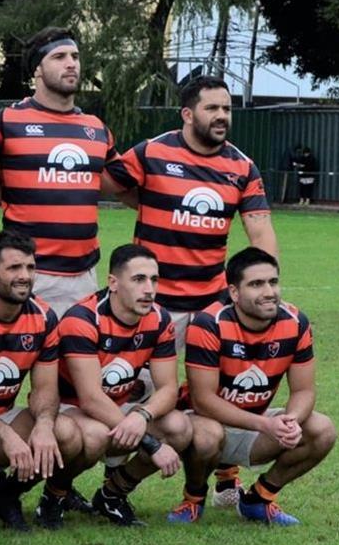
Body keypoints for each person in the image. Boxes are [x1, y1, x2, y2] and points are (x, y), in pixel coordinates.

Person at [105, 75, 279, 506]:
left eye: (226, 109)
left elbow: (261, 233)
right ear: (187, 113)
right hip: (152, 301)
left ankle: (224, 477)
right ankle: (114, 467)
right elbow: (109, 185)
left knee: (221, 390)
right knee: (132, 384)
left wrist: (263, 287)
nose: (221, 116)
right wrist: (148, 203)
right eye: (211, 108)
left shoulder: (241, 166)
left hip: (210, 302)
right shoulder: (152, 151)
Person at [177, 248, 336, 525]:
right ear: (234, 292)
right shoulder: (209, 323)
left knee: (322, 429)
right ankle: (193, 499)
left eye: (273, 282)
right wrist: (264, 425)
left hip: (256, 426)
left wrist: (291, 421)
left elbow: (304, 391)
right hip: (204, 425)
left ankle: (259, 499)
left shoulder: (296, 322)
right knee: (207, 435)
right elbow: (203, 401)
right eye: (256, 284)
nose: (269, 291)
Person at [0, 231, 89, 532]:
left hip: (2, 416)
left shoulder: (44, 317)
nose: (24, 276)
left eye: (30, 268)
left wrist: (45, 425)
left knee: (66, 433)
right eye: (14, 268)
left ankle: (6, 495)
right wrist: (7, 435)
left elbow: (45, 388)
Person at [0, 27, 123, 317]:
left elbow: (114, 182)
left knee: (76, 358)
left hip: (83, 274)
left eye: (75, 56)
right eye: (59, 57)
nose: (71, 63)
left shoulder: (96, 127)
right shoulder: (5, 122)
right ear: (37, 71)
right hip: (28, 272)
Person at [55, 245, 196, 526]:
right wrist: (150, 442)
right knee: (94, 435)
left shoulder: (159, 319)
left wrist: (141, 416)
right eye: (139, 279)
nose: (149, 289)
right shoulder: (82, 318)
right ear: (113, 283)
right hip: (71, 410)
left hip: (121, 407)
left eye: (154, 280)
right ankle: (55, 493)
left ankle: (112, 494)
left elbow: (169, 387)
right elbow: (91, 398)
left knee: (180, 427)